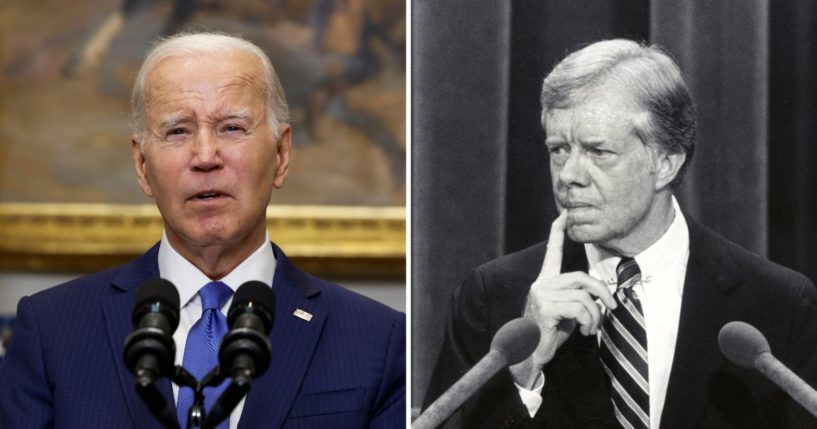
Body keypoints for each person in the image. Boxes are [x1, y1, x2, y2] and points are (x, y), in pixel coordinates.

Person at [0, 32, 405, 428]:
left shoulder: (379, 340)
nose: (206, 156)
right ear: (142, 166)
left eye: (232, 128)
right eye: (178, 130)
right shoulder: (50, 330)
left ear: (281, 155)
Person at [423, 39, 817, 428]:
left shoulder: (778, 306)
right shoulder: (494, 299)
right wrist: (523, 370)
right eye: (559, 149)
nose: (569, 175)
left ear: (664, 163)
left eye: (598, 151)